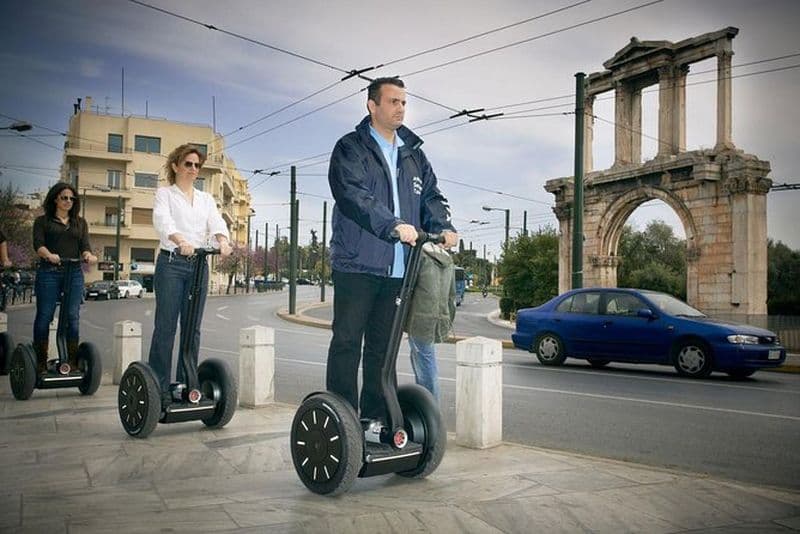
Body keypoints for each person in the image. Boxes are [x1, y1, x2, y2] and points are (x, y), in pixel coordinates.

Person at [327, 76, 458, 424]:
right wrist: (393, 225)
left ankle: (374, 420)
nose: (400, 107)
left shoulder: (414, 154)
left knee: (382, 352)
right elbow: (353, 195)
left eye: (404, 102)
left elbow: (431, 196)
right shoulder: (351, 148)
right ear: (373, 106)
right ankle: (342, 422)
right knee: (347, 344)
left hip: (400, 269)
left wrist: (442, 225)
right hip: (357, 264)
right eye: (393, 101)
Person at [149, 143, 232, 406]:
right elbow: (163, 221)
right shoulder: (165, 194)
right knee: (166, 327)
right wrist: (180, 239)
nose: (194, 169)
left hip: (198, 265)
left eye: (197, 165)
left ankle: (185, 384)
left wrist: (223, 240)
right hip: (172, 262)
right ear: (176, 166)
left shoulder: (206, 199)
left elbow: (217, 221)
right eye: (188, 164)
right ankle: (159, 387)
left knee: (192, 329)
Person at [32, 183, 97, 373]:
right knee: (45, 315)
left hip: (74, 272)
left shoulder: (80, 223)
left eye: (71, 198)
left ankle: (72, 361)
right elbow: (38, 245)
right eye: (64, 197)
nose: (68, 201)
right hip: (49, 272)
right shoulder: (43, 221)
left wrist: (88, 255)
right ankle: (40, 361)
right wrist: (49, 255)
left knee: (72, 316)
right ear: (55, 199)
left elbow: (85, 245)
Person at [405, 242, 457, 401]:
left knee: (426, 366)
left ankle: (430, 411)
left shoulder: (420, 256)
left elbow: (409, 289)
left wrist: (402, 320)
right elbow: (451, 296)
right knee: (423, 360)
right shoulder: (448, 260)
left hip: (419, 319)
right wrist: (447, 320)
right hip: (438, 319)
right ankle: (426, 407)